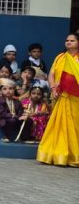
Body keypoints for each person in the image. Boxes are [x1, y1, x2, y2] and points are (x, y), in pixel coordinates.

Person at [36, 32, 79, 168]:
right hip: (59, 96)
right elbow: (51, 74)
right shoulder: (60, 57)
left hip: (75, 98)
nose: (68, 42)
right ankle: (53, 154)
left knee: (73, 128)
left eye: (72, 40)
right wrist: (53, 88)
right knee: (57, 126)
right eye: (67, 40)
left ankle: (73, 156)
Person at [0, 79, 32, 143]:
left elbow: (20, 111)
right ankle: (5, 136)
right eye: (5, 89)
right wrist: (14, 116)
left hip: (15, 118)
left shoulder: (17, 101)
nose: (8, 91)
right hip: (3, 118)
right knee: (11, 120)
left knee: (29, 120)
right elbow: (2, 113)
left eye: (11, 89)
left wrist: (23, 116)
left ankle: (24, 138)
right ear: (0, 91)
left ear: (14, 90)